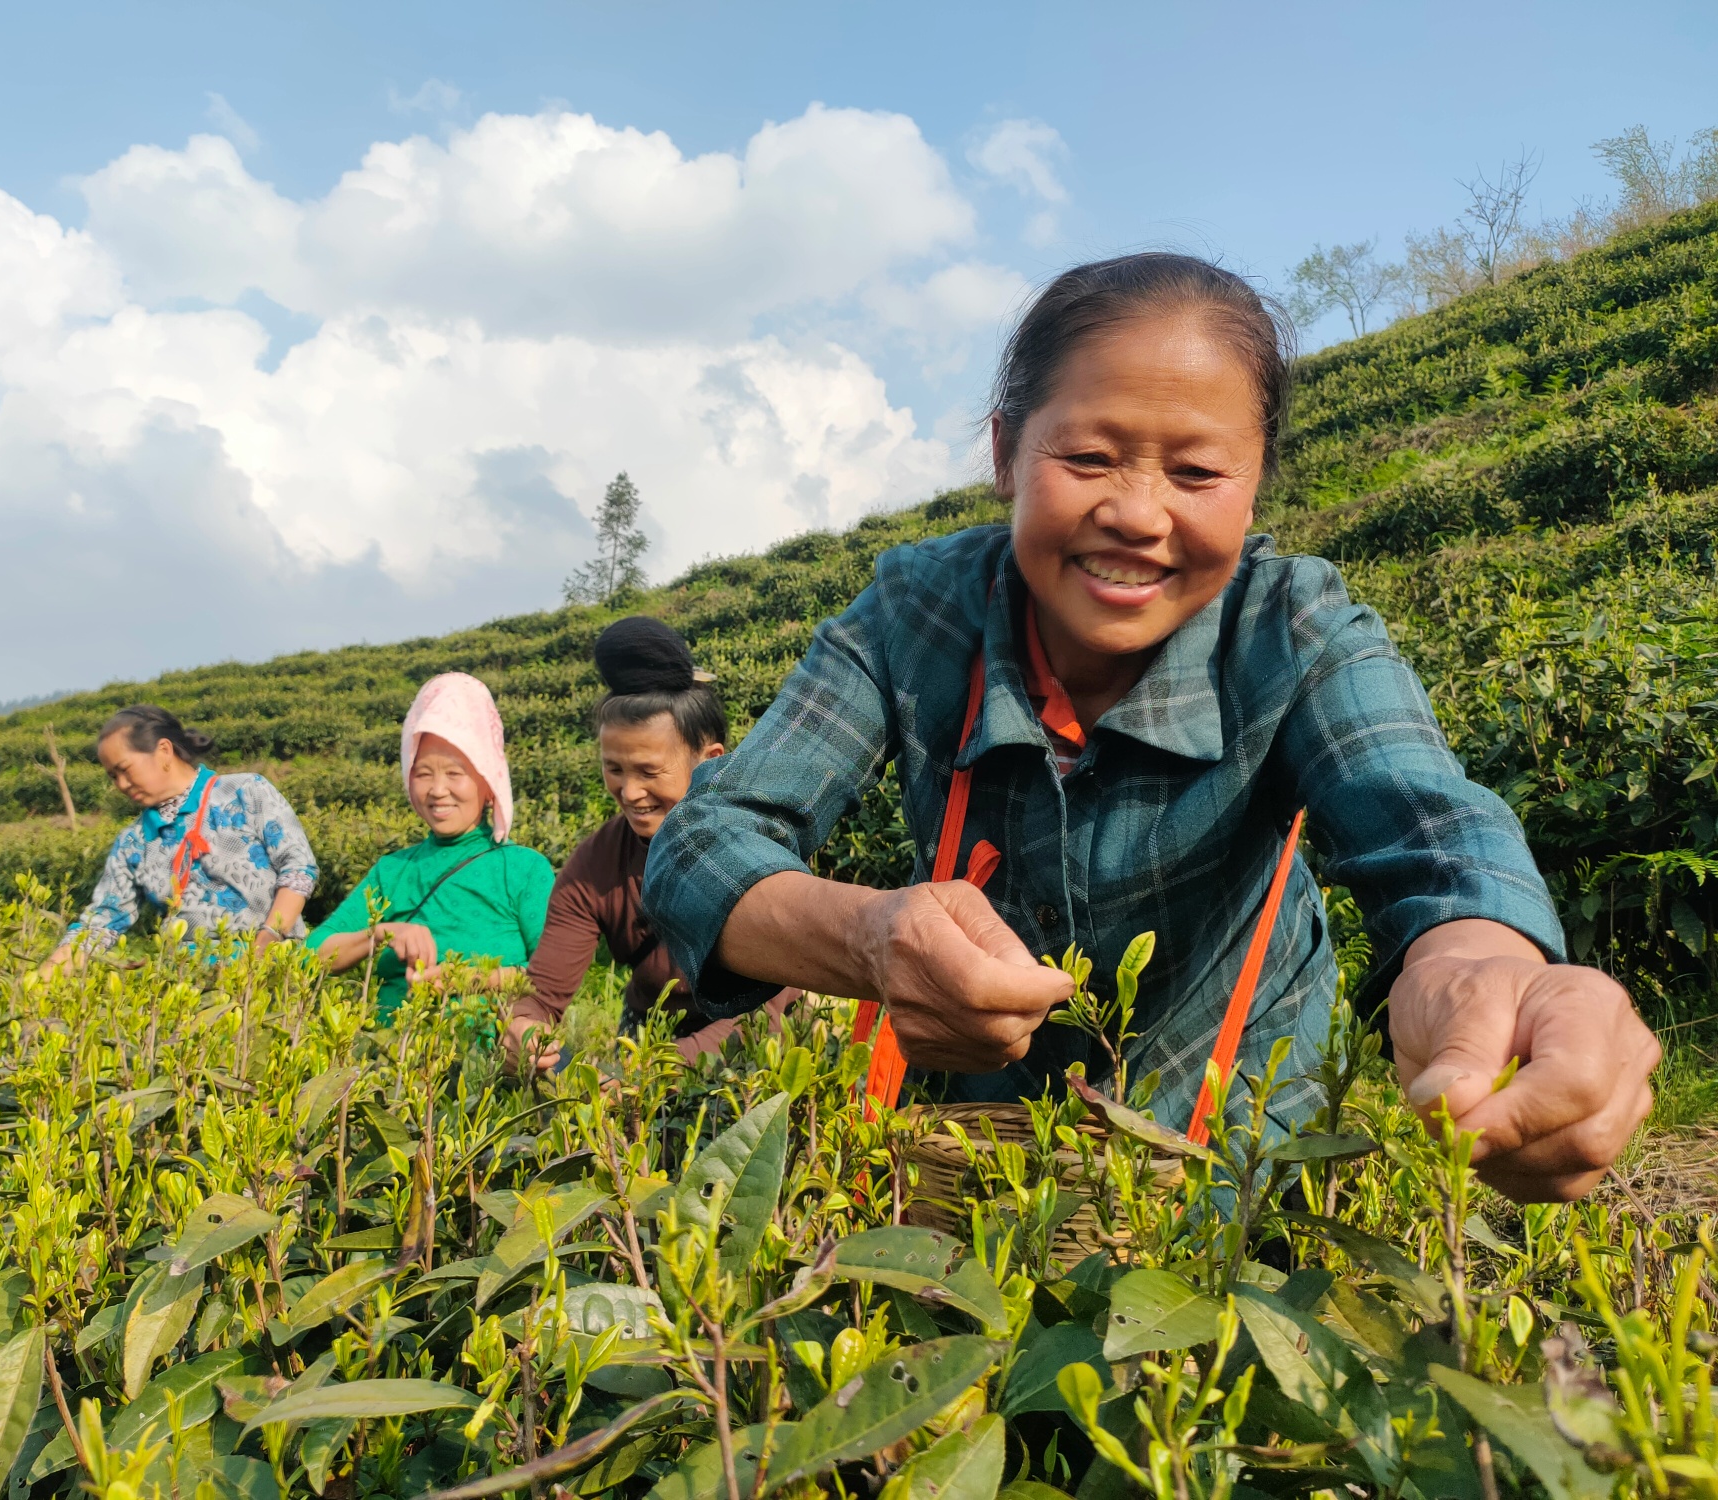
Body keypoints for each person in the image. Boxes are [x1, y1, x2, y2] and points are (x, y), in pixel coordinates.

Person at [644, 252, 1659, 1205]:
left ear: (1256, 481)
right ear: (1004, 452)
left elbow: (1426, 828)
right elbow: (703, 843)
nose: (1135, 513)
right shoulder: (917, 613)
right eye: (1087, 456)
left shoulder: (1292, 628)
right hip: (968, 1150)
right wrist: (866, 937)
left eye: (1195, 473)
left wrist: (1483, 972)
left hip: (1232, 1143)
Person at [503, 617, 796, 1073]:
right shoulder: (596, 865)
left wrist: (655, 1072)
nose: (630, 792)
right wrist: (526, 1027)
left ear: (710, 761)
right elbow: (543, 994)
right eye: (614, 769)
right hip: (650, 1031)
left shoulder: (765, 852)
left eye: (649, 772)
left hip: (752, 1035)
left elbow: (769, 1007)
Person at [306, 673, 555, 1020]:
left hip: (490, 1060)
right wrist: (381, 933)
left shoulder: (523, 868)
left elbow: (552, 977)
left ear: (488, 784)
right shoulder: (393, 871)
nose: (438, 790)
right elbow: (310, 954)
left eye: (455, 774)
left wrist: (467, 980)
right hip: (391, 1056)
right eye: (423, 774)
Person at [41, 705, 318, 973]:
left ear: (163, 750)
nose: (121, 785)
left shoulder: (244, 791)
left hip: (271, 967)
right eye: (113, 776)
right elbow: (103, 920)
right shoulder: (133, 842)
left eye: (125, 769)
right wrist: (46, 975)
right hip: (188, 983)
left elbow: (298, 868)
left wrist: (267, 940)